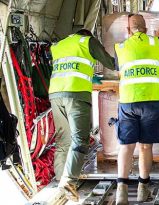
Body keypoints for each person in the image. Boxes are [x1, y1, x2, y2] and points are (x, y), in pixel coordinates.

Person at [49, 29, 115, 201]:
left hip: (56, 94)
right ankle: (69, 181)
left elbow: (70, 67)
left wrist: (90, 77)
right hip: (76, 94)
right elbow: (110, 62)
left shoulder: (60, 45)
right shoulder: (88, 42)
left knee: (64, 139)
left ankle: (60, 179)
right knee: (80, 139)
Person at [114, 14, 159, 204]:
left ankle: (121, 192)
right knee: (145, 146)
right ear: (146, 28)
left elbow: (118, 69)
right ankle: (143, 189)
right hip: (152, 102)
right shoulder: (157, 43)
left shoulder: (120, 47)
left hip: (128, 102)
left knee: (126, 147)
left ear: (128, 30)